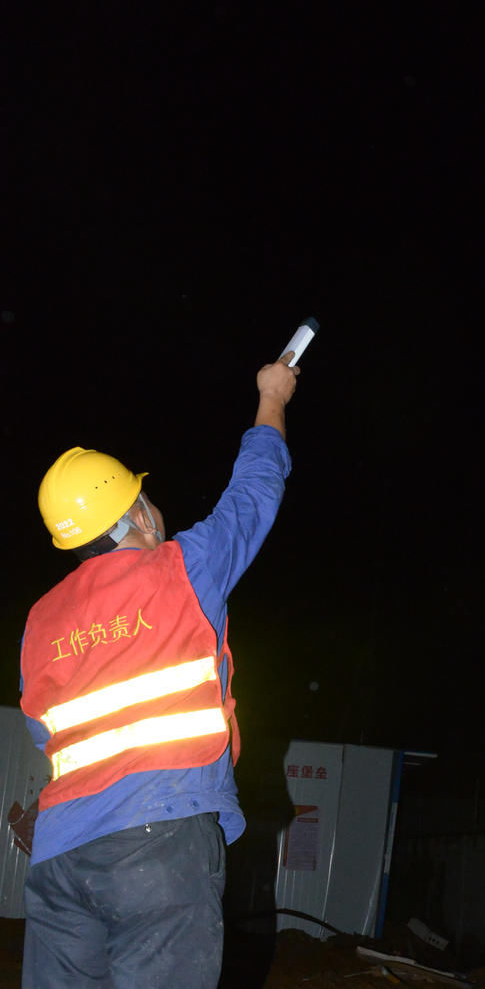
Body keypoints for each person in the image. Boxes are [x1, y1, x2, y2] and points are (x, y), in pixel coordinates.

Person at [18, 353, 300, 989]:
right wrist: (272, 400)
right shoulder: (180, 569)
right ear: (138, 512)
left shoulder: (39, 621)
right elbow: (254, 496)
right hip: (160, 843)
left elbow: (46, 732)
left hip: (61, 857)